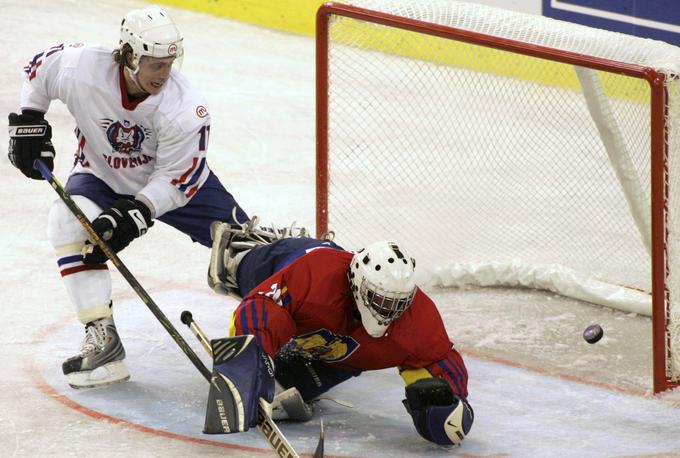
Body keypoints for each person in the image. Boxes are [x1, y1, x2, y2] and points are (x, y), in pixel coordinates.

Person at [6, 6, 249, 389]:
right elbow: (39, 69)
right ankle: (103, 339)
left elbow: (175, 177)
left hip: (180, 183)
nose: (165, 74)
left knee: (245, 248)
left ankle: (289, 336)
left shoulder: (184, 107)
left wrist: (137, 213)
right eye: (156, 64)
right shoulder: (80, 68)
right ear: (131, 55)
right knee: (66, 221)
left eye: (170, 63)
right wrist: (29, 120)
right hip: (101, 173)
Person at [205, 221, 474, 446]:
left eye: (396, 303)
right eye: (380, 299)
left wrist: (450, 407)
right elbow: (261, 308)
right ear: (358, 283)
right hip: (291, 262)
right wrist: (254, 359)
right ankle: (255, 247)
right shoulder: (316, 274)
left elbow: (442, 362)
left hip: (331, 354)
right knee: (239, 270)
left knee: (286, 385)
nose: (388, 310)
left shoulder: (418, 319)